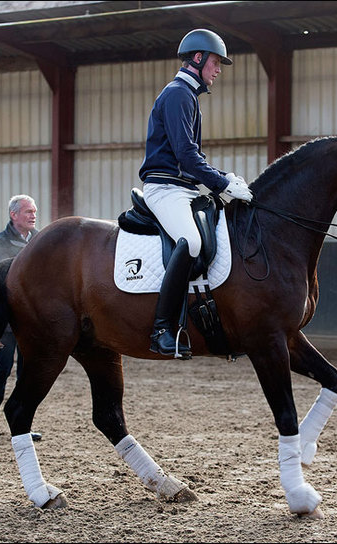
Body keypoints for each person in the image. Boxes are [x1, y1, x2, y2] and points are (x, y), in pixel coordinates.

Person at [138, 28, 254, 359]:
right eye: (216, 62)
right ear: (199, 58)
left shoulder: (187, 97)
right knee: (192, 242)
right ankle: (162, 328)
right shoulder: (177, 94)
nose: (218, 70)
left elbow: (192, 160)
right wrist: (222, 183)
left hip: (184, 189)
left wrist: (222, 178)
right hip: (165, 188)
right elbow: (187, 156)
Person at [0, 194, 42, 440]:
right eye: (28, 212)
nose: (34, 216)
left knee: (27, 375)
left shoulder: (40, 240)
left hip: (31, 322)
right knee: (1, 370)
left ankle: (22, 423)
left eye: (34, 212)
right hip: (8, 323)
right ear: (14, 215)